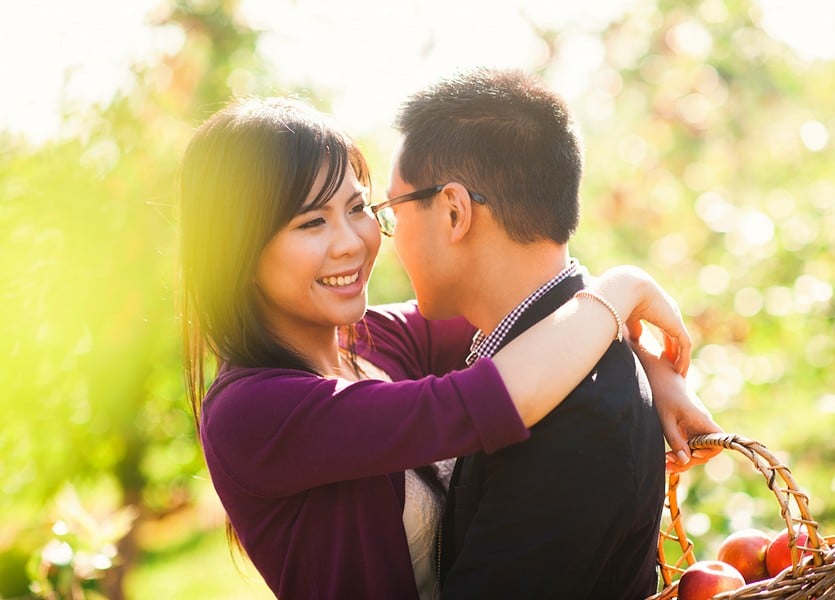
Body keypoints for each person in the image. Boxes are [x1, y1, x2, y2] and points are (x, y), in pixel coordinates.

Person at [179, 96, 715, 599]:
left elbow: (534, 306)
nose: (351, 241)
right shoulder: (253, 412)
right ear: (239, 251)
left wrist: (652, 364)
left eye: (358, 207)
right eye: (312, 222)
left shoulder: (375, 341)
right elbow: (485, 402)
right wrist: (624, 288)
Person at [381, 67, 716, 599]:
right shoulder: (543, 354)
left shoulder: (580, 415)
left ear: (453, 212)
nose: (388, 239)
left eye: (391, 211)